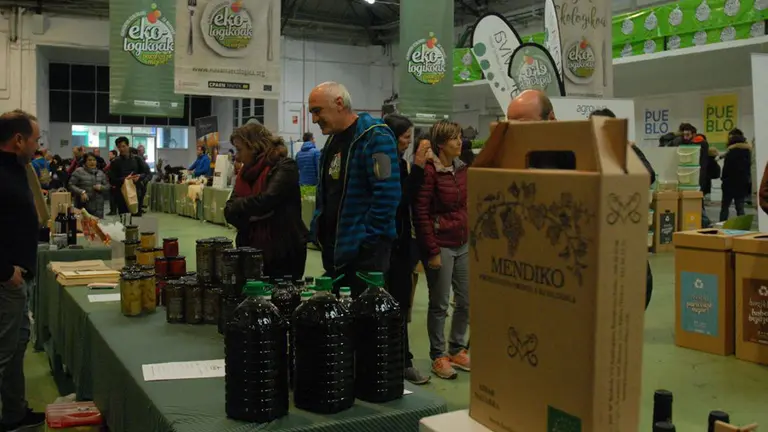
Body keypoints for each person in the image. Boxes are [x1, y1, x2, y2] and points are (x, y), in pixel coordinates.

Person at [308, 82, 401, 297]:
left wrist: (367, 241)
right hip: (336, 252)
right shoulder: (332, 141)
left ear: (339, 103)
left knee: (365, 323)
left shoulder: (377, 138)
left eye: (317, 111)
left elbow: (388, 194)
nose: (314, 119)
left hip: (365, 255)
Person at [0, 109, 46, 430]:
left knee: (17, 348)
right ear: (18, 140)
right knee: (4, 354)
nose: (37, 147)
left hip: (19, 275)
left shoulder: (17, 169)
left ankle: (14, 414)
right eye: (35, 140)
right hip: (6, 279)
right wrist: (4, 271)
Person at [414, 120, 470, 380]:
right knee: (439, 304)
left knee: (465, 300)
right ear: (440, 144)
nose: (459, 142)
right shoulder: (429, 171)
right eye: (453, 138)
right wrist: (432, 250)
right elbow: (421, 213)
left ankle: (457, 348)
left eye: (459, 137)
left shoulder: (462, 169)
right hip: (441, 244)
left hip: (463, 242)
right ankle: (438, 355)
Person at [589, 108, 656, 310]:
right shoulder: (582, 150)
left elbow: (648, 175)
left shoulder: (625, 150)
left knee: (636, 280)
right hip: (593, 230)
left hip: (622, 226)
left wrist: (626, 152)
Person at [224, 122, 308, 280]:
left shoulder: (285, 167)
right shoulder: (245, 174)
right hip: (249, 250)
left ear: (254, 147)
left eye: (240, 149)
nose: (237, 156)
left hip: (283, 253)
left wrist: (241, 207)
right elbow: (229, 211)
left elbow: (267, 200)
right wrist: (247, 209)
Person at [382, 114, 430, 385]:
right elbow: (399, 202)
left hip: (399, 246)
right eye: (404, 137)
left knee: (399, 306)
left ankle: (401, 361)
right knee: (395, 306)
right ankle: (400, 363)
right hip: (390, 246)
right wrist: (419, 169)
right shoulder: (389, 164)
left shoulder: (398, 163)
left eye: (410, 138)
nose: (408, 142)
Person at [107, 137, 150, 217]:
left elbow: (148, 174)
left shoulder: (137, 159)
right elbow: (112, 180)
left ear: (128, 146)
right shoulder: (115, 162)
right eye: (119, 147)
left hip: (136, 194)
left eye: (123, 146)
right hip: (121, 195)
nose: (122, 149)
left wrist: (139, 177)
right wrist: (125, 179)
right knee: (124, 220)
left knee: (136, 219)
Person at [720, 128, 753, 221]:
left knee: (725, 207)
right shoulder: (748, 151)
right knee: (740, 208)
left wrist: (723, 179)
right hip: (742, 183)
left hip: (729, 183)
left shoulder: (731, 151)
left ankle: (721, 226)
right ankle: (742, 227)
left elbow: (726, 168)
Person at [69, 152, 110, 218]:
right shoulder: (78, 171)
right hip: (83, 206)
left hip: (98, 207)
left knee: (97, 226)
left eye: (94, 160)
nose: (92, 162)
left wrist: (101, 187)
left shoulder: (100, 173)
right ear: (85, 161)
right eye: (89, 160)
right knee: (83, 226)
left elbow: (108, 186)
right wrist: (81, 192)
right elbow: (71, 185)